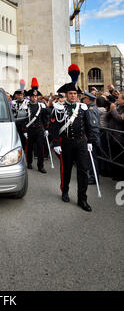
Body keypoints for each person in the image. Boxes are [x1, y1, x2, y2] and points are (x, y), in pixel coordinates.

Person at [50, 64, 97, 212]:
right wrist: (56, 143)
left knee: (83, 170)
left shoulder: (82, 108)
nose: (73, 96)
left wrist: (89, 141)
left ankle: (82, 199)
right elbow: (54, 127)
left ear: (78, 95)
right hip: (66, 143)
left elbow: (88, 126)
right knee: (66, 169)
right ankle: (64, 190)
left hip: (81, 142)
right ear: (66, 94)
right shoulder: (59, 108)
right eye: (70, 94)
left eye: (75, 94)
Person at [23, 78, 49, 173]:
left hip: (39, 130)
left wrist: (46, 129)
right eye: (33, 97)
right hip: (30, 130)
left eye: (36, 96)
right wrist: (24, 131)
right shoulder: (26, 106)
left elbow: (45, 118)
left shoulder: (41, 106)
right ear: (30, 97)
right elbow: (24, 120)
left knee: (40, 148)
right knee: (29, 148)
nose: (34, 98)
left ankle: (40, 166)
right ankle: (29, 162)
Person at [81, 91, 102, 185]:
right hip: (92, 137)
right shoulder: (92, 108)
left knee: (92, 159)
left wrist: (90, 140)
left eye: (84, 98)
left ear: (88, 99)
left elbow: (92, 125)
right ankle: (93, 176)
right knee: (91, 158)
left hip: (92, 137)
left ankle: (94, 177)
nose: (83, 99)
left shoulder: (90, 109)